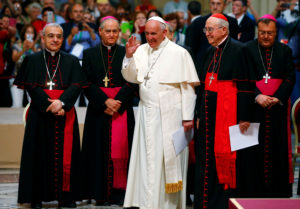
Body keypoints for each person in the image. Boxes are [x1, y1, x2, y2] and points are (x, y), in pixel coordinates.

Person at [122, 16, 199, 209]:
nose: (150, 37)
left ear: (165, 32)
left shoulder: (179, 53)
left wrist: (187, 117)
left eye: (153, 33)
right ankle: (147, 202)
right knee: (147, 160)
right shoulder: (141, 50)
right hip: (147, 113)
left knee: (166, 160)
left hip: (170, 115)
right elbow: (131, 77)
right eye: (146, 33)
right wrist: (129, 56)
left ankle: (166, 205)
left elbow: (188, 88)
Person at [14, 23, 87, 208]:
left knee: (66, 157)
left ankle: (66, 197)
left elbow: (77, 85)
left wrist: (62, 103)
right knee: (38, 155)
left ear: (63, 39)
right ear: (43, 37)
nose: (55, 39)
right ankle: (36, 197)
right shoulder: (32, 60)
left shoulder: (71, 61)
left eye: (59, 36)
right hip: (40, 114)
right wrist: (51, 105)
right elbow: (30, 86)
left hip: (65, 114)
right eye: (51, 36)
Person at [193, 13, 256, 209]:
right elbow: (202, 87)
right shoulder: (209, 52)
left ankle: (223, 203)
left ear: (224, 30)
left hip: (229, 119)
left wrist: (245, 118)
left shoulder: (240, 51)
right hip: (208, 118)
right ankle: (206, 202)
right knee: (206, 159)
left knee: (228, 161)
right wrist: (198, 114)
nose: (207, 34)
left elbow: (246, 87)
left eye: (210, 29)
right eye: (206, 30)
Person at [236, 14, 295, 198]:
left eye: (270, 33)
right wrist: (257, 96)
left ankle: (277, 195)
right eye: (262, 33)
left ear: (276, 33)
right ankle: (251, 194)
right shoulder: (246, 50)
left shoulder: (284, 50)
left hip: (277, 110)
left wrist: (277, 97)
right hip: (252, 110)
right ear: (257, 32)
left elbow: (290, 78)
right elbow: (242, 79)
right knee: (251, 154)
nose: (266, 36)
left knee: (277, 152)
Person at [81, 16, 136, 206]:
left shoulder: (127, 53)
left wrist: (118, 101)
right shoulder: (89, 54)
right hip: (99, 110)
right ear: (100, 32)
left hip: (122, 108)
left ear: (119, 32)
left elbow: (133, 80)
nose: (112, 35)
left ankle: (120, 193)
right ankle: (99, 193)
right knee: (98, 151)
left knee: (123, 150)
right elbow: (85, 83)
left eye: (115, 31)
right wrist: (105, 101)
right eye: (108, 31)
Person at [185, 0, 239, 70]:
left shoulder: (232, 22)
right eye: (212, 3)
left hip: (225, 65)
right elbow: (191, 47)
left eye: (218, 4)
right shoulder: (198, 22)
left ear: (225, 5)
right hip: (202, 65)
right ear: (209, 5)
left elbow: (234, 45)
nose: (215, 7)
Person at [11, 24, 40, 107]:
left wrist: (33, 48)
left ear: (34, 35)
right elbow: (14, 59)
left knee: (33, 104)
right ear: (24, 33)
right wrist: (23, 49)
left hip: (33, 79)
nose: (29, 34)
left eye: (32, 32)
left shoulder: (37, 47)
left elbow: (40, 60)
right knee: (17, 105)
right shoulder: (17, 46)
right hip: (17, 77)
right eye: (27, 32)